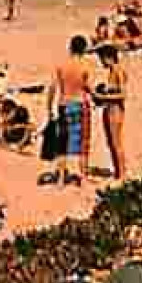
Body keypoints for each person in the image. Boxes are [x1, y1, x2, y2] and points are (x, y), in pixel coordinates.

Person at [49, 36, 93, 185]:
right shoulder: (85, 66)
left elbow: (53, 87)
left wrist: (49, 108)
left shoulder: (62, 65)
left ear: (70, 47)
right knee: (83, 141)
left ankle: (61, 178)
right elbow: (88, 86)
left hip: (64, 104)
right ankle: (83, 176)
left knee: (62, 143)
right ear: (84, 49)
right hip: (80, 104)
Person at [94, 45, 127, 181]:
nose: (101, 62)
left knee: (116, 142)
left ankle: (122, 173)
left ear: (108, 58)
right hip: (109, 108)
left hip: (115, 110)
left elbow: (123, 94)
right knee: (111, 142)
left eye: (102, 59)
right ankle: (118, 170)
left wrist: (103, 97)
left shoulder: (118, 71)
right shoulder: (112, 71)